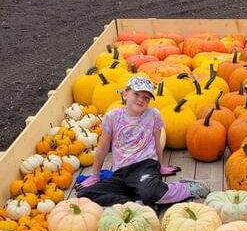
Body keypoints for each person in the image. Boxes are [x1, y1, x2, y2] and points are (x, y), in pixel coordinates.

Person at [77, 75, 210, 206]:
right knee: (85, 194)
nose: (141, 100)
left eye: (146, 98)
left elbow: (158, 143)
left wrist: (159, 166)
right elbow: (102, 148)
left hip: (145, 166)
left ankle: (187, 188)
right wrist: (95, 175)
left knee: (151, 193)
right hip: (121, 173)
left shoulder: (153, 115)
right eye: (136, 94)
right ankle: (132, 202)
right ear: (125, 94)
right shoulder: (112, 117)